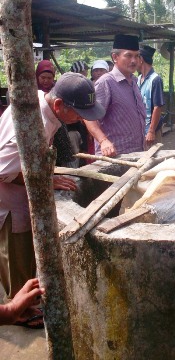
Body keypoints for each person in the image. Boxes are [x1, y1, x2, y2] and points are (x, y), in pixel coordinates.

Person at [0, 73, 105, 328]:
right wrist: (44, 180)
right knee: (18, 260)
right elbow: (2, 171)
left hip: (21, 200)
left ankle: (24, 306)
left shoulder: (41, 103)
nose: (81, 119)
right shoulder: (30, 125)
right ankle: (20, 312)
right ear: (59, 106)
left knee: (25, 260)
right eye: (78, 113)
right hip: (10, 206)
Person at [85, 34, 146, 157]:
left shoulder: (133, 81)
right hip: (114, 157)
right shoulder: (106, 82)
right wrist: (103, 140)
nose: (134, 61)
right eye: (128, 55)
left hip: (136, 154)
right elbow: (88, 117)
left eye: (137, 56)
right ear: (115, 57)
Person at [137, 45, 165, 146]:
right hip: (140, 128)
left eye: (136, 57)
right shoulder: (139, 78)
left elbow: (157, 107)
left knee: (152, 158)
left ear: (141, 59)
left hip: (150, 130)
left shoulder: (155, 79)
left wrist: (151, 131)